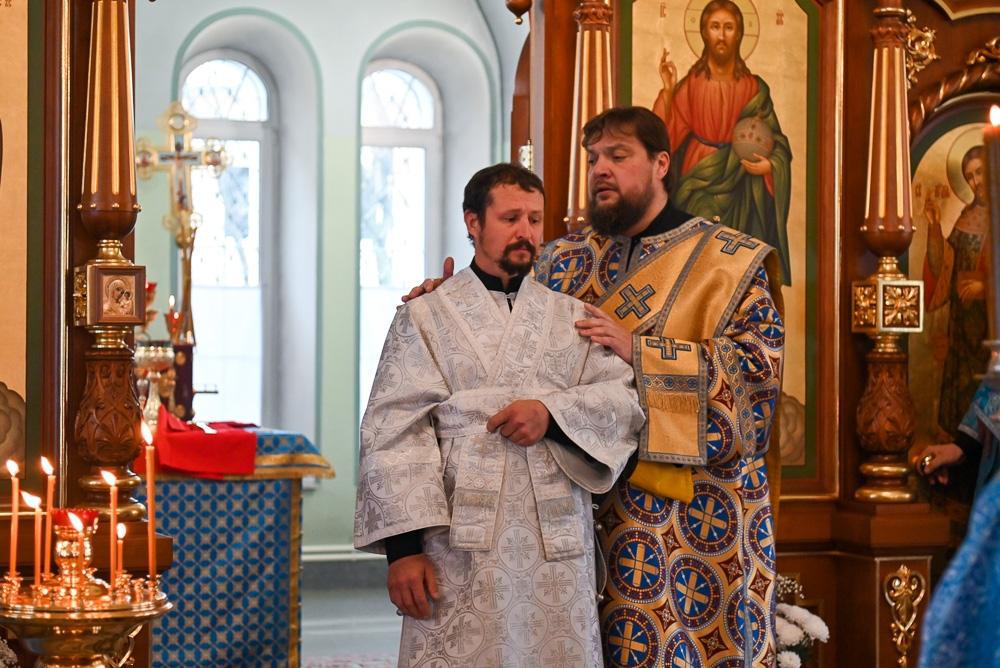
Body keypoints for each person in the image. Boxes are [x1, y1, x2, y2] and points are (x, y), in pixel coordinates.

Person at [406, 108, 785, 667]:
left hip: (684, 522)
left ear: (661, 164)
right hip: (567, 514)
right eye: (592, 159)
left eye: (617, 155)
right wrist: (445, 296)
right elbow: (496, 325)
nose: (600, 169)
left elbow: (756, 387)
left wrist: (642, 352)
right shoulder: (561, 260)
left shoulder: (729, 262)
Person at [354, 163, 644, 667]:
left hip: (554, 543)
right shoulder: (424, 315)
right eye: (511, 218)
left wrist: (551, 415)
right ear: (473, 222)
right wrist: (403, 552)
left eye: (535, 219)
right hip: (457, 545)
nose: (526, 232)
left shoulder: (572, 317)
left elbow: (623, 403)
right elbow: (394, 433)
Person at [652, 0, 793, 285]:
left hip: (742, 184)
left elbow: (776, 141)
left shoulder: (754, 88)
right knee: (697, 260)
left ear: (739, 34)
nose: (721, 35)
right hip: (697, 177)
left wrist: (770, 166)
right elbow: (664, 141)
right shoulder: (691, 85)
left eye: (729, 27)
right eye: (715, 27)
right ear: (704, 33)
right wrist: (668, 90)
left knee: (739, 264)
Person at [923, 146, 989, 441]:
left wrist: (986, 287)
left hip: (991, 327)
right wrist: (934, 226)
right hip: (961, 328)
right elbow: (944, 267)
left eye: (980, 172)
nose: (976, 182)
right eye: (969, 177)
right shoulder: (965, 217)